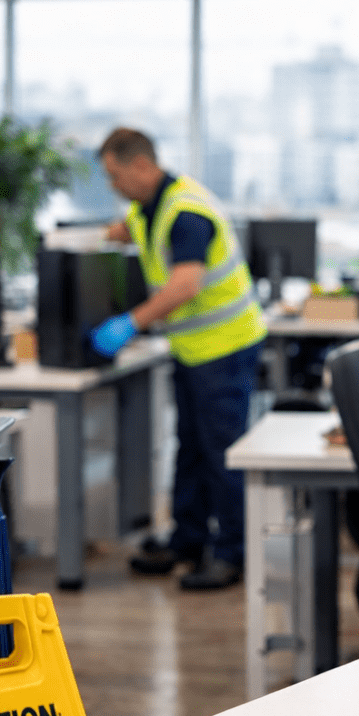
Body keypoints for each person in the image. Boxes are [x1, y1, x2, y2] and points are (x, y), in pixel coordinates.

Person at [89, 128, 266, 590]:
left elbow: (185, 284)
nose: (113, 186)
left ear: (142, 166)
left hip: (225, 344)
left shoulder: (186, 213)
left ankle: (232, 555)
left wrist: (131, 322)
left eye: (115, 175)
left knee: (222, 453)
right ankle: (187, 541)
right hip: (193, 348)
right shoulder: (148, 207)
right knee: (189, 446)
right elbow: (127, 229)